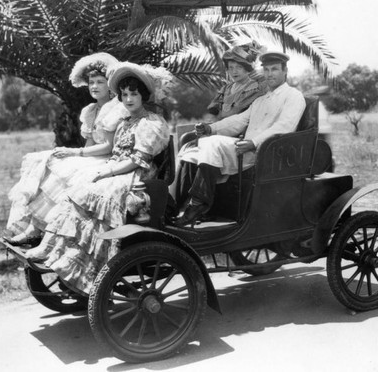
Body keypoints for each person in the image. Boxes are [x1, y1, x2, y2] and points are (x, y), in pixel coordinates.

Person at [24, 62, 170, 295]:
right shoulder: (125, 121)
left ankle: (93, 266)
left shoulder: (151, 122)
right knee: (75, 189)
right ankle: (52, 248)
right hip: (118, 167)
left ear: (143, 95)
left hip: (136, 175)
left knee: (92, 194)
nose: (129, 99)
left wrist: (108, 172)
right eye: (124, 95)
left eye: (134, 94)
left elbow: (137, 160)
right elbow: (113, 151)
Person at [6, 52, 128, 244]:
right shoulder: (90, 111)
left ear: (110, 85)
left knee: (67, 172)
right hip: (94, 156)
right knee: (46, 160)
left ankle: (43, 231)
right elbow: (90, 145)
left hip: (109, 159)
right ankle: (35, 226)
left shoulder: (116, 108)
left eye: (99, 82)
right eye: (91, 82)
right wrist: (76, 157)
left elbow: (109, 146)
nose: (94, 86)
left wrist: (76, 153)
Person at [174, 51, 306, 227]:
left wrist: (254, 142)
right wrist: (210, 128)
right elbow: (239, 121)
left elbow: (284, 127)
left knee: (211, 143)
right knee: (200, 145)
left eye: (274, 69)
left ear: (285, 71)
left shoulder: (293, 96)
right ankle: (190, 206)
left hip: (268, 154)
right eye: (266, 70)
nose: (269, 74)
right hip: (245, 149)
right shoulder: (262, 100)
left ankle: (198, 205)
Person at [174, 42, 267, 205]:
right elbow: (213, 109)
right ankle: (181, 201)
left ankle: (201, 203)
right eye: (231, 67)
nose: (234, 71)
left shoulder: (254, 88)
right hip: (219, 129)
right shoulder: (226, 88)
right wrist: (208, 123)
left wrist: (216, 126)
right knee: (188, 149)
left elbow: (239, 116)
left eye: (239, 67)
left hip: (238, 133)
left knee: (200, 147)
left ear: (247, 68)